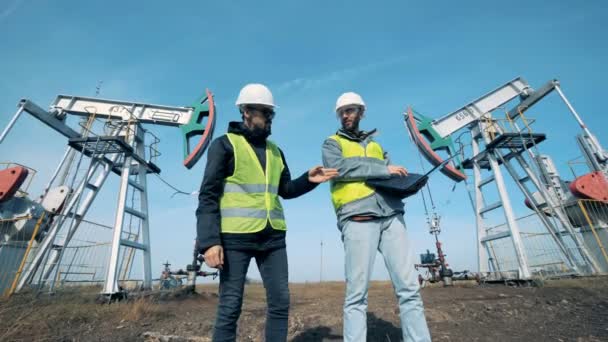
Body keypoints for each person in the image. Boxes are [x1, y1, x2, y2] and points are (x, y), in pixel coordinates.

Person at [196, 83, 338, 342]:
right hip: (234, 238)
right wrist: (209, 242)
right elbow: (208, 195)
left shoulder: (276, 152)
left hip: (273, 238)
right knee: (230, 307)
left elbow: (284, 189)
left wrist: (308, 179)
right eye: (265, 112)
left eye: (272, 113)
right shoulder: (225, 145)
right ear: (246, 112)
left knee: (280, 303)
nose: (270, 118)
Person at [322, 92, 431, 342]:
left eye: (350, 110)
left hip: (391, 215)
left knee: (410, 289)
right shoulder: (331, 143)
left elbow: (389, 177)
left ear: (361, 112)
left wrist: (407, 183)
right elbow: (339, 170)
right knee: (356, 295)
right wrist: (384, 169)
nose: (346, 115)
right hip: (359, 217)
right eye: (342, 112)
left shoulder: (377, 146)